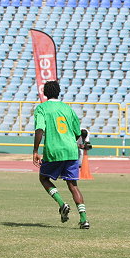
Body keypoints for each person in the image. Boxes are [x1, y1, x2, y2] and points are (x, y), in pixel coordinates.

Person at [33, 81, 90, 229]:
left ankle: (61, 203)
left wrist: (35, 151)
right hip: (71, 150)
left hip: (54, 149)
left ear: (45, 93)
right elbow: (77, 132)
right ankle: (84, 219)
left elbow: (39, 129)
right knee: (73, 185)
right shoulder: (68, 108)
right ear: (58, 92)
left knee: (44, 178)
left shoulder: (42, 108)